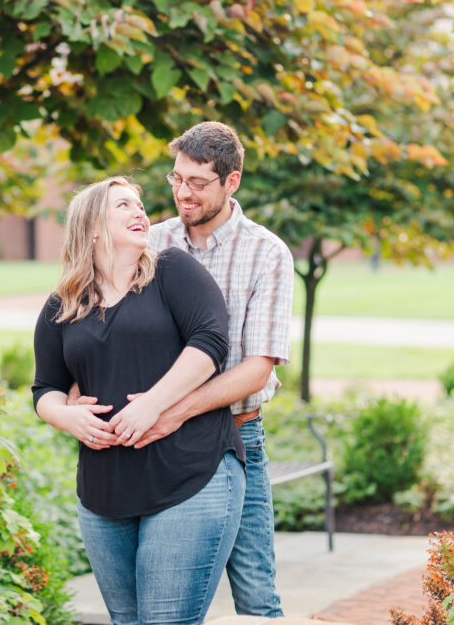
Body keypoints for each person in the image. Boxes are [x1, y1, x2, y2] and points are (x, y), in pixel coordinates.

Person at [31, 176, 246, 625]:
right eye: (123, 205)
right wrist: (66, 417)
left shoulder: (172, 270)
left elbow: (211, 341)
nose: (140, 212)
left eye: (140, 204)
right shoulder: (62, 305)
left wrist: (154, 404)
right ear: (91, 227)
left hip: (189, 475)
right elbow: (45, 387)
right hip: (103, 493)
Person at [142, 121, 294, 616]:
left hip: (237, 437)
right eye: (176, 179)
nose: (183, 193)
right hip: (159, 442)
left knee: (256, 594)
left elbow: (255, 371)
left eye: (198, 183)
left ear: (231, 182)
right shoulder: (151, 243)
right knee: (167, 593)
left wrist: (174, 410)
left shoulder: (266, 253)